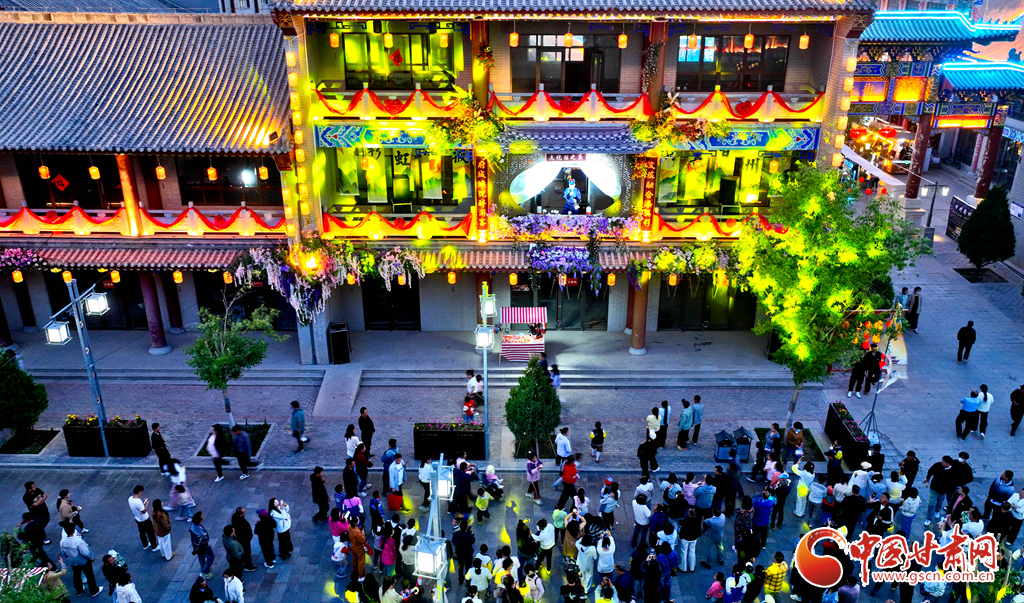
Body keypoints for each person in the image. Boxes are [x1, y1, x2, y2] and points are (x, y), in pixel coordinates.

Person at [60, 524, 102, 597]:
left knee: (76, 575)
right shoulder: (78, 541)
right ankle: (94, 590)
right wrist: (91, 557)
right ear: (74, 531)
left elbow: (63, 552)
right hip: (83, 561)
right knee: (89, 575)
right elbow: (85, 552)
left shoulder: (62, 541)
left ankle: (79, 590)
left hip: (73, 561)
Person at [128, 485, 158, 551]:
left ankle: (145, 545)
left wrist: (142, 504)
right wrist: (146, 503)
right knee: (150, 532)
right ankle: (154, 546)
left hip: (137, 519)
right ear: (139, 492)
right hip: (144, 519)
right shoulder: (138, 501)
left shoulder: (130, 498)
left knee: (142, 533)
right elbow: (143, 511)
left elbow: (137, 507)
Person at [231, 507, 257, 572]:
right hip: (244, 539)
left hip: (240, 538)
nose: (245, 512)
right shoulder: (241, 522)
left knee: (244, 551)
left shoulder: (234, 516)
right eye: (244, 512)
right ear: (241, 514)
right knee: (247, 552)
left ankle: (243, 560)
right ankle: (248, 566)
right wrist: (249, 537)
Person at [190, 512, 215, 579]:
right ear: (200, 520)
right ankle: (205, 571)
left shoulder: (193, 526)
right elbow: (203, 538)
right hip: (203, 547)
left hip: (196, 546)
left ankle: (203, 568)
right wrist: (203, 544)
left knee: (201, 557)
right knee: (210, 557)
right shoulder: (199, 529)